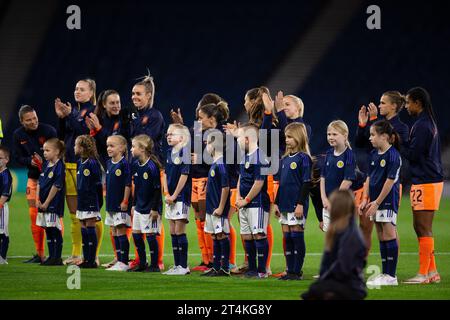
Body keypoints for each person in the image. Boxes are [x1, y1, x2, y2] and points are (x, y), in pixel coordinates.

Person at [55, 79, 103, 266]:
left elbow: (85, 134)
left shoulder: (92, 112)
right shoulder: (73, 112)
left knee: (92, 213)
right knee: (75, 214)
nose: (77, 92)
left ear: (91, 93)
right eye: (76, 88)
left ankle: (94, 255)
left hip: (84, 167)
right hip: (69, 165)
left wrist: (70, 116)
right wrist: (62, 118)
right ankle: (76, 254)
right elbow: (63, 137)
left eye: (82, 89)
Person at [355, 91, 409, 252]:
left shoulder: (400, 128)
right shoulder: (379, 125)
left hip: (389, 182)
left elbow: (395, 152)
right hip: (373, 181)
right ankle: (363, 264)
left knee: (389, 226)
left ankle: (391, 270)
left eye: (383, 103)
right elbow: (361, 143)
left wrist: (374, 121)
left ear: (394, 106)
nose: (379, 106)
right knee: (367, 224)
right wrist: (363, 124)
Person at [401, 87, 444, 284]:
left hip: (426, 180)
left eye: (408, 102)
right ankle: (432, 272)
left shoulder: (422, 125)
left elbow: (413, 155)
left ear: (418, 103)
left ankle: (422, 274)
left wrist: (397, 142)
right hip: (426, 180)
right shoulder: (426, 123)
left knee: (422, 227)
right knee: (421, 227)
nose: (406, 106)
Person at [301, 190, 367, 300]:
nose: (328, 207)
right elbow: (326, 262)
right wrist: (323, 279)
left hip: (352, 286)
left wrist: (325, 282)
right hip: (339, 281)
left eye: (331, 203)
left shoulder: (351, 234)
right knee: (314, 290)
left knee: (314, 292)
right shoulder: (337, 230)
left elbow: (344, 267)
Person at [129, 74, 165, 270]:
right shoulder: (136, 116)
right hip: (138, 167)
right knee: (139, 215)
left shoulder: (154, 116)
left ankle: (157, 261)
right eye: (133, 94)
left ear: (148, 95)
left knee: (153, 215)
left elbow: (145, 141)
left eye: (139, 94)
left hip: (152, 167)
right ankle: (140, 260)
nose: (134, 97)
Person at [12, 105, 57, 263]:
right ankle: (40, 254)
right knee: (34, 215)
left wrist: (44, 162)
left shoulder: (49, 131)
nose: (33, 122)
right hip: (33, 179)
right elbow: (16, 157)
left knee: (53, 215)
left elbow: (58, 153)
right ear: (22, 121)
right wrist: (29, 161)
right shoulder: (18, 135)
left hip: (50, 181)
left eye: (35, 118)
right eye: (29, 120)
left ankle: (55, 254)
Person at [359, 120, 401, 286]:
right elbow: (369, 178)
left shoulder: (393, 156)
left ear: (384, 136)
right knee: (381, 236)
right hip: (374, 201)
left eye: (373, 135)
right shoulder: (373, 154)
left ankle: (391, 276)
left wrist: (376, 202)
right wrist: (365, 199)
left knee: (389, 234)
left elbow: (390, 182)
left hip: (387, 201)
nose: (370, 138)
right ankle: (385, 274)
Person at [274, 122, 312, 280]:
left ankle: (297, 271)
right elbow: (282, 184)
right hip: (284, 203)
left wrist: (300, 204)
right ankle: (289, 270)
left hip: (296, 204)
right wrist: (276, 202)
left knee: (296, 236)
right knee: (287, 237)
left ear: (299, 137)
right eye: (286, 137)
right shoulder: (284, 159)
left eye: (290, 137)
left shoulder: (304, 158)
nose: (287, 140)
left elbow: (306, 183)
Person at [235, 123, 270, 278]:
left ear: (248, 139)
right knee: (247, 236)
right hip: (244, 203)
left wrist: (246, 199)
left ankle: (262, 271)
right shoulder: (245, 156)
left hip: (257, 203)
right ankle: (252, 269)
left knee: (258, 235)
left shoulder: (260, 156)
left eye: (239, 138)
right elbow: (241, 177)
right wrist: (237, 197)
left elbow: (259, 182)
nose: (237, 141)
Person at [128, 134, 163, 272]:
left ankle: (154, 265)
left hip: (150, 209)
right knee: (136, 235)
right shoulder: (136, 165)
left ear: (142, 149)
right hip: (139, 207)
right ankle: (142, 263)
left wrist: (155, 209)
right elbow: (136, 187)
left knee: (150, 236)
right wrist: (133, 204)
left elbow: (157, 190)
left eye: (133, 147)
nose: (131, 150)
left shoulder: (152, 166)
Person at [162, 124, 191, 276]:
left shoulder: (184, 152)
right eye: (168, 134)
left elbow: (184, 176)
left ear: (182, 138)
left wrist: (174, 195)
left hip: (181, 197)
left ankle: (184, 266)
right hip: (170, 198)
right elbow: (165, 174)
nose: (168, 136)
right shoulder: (168, 152)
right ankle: (176, 264)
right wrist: (167, 193)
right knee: (172, 231)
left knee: (180, 231)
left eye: (172, 134)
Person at [201, 131, 231, 277]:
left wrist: (220, 207)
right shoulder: (214, 164)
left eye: (208, 142)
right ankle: (216, 266)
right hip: (210, 208)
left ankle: (224, 268)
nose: (205, 145)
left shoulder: (221, 164)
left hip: (218, 209)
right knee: (214, 236)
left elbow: (226, 188)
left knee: (222, 235)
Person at [320, 120, 356, 231]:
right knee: (330, 234)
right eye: (329, 134)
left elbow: (348, 180)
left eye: (334, 134)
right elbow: (323, 177)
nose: (331, 137)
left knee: (342, 233)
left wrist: (334, 201)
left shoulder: (349, 155)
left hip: (341, 203)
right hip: (327, 202)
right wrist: (324, 198)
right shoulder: (329, 153)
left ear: (345, 135)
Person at [74, 135, 103, 268]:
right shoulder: (79, 162)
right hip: (81, 201)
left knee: (90, 228)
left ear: (82, 147)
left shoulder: (92, 163)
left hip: (91, 200)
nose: (74, 147)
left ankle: (92, 260)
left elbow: (98, 184)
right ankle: (86, 259)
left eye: (76, 145)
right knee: (83, 229)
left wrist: (98, 202)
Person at [36, 138, 66, 266]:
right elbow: (39, 183)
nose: (44, 153)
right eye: (44, 150)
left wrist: (47, 202)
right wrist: (37, 199)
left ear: (57, 152)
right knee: (47, 229)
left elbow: (56, 186)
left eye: (48, 150)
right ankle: (51, 256)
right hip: (42, 203)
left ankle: (57, 257)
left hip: (53, 204)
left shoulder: (59, 166)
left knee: (54, 229)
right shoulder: (45, 164)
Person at [104, 135, 131, 272]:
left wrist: (125, 201)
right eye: (108, 145)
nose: (108, 148)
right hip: (110, 203)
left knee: (120, 230)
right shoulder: (109, 163)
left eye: (112, 146)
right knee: (114, 231)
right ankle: (118, 259)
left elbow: (127, 184)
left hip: (121, 205)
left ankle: (124, 261)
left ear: (122, 148)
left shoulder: (124, 164)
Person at [0, 146, 13, 265]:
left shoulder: (6, 175)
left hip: (1, 207)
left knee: (2, 232)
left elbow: (5, 193)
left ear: (6, 160)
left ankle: (2, 257)